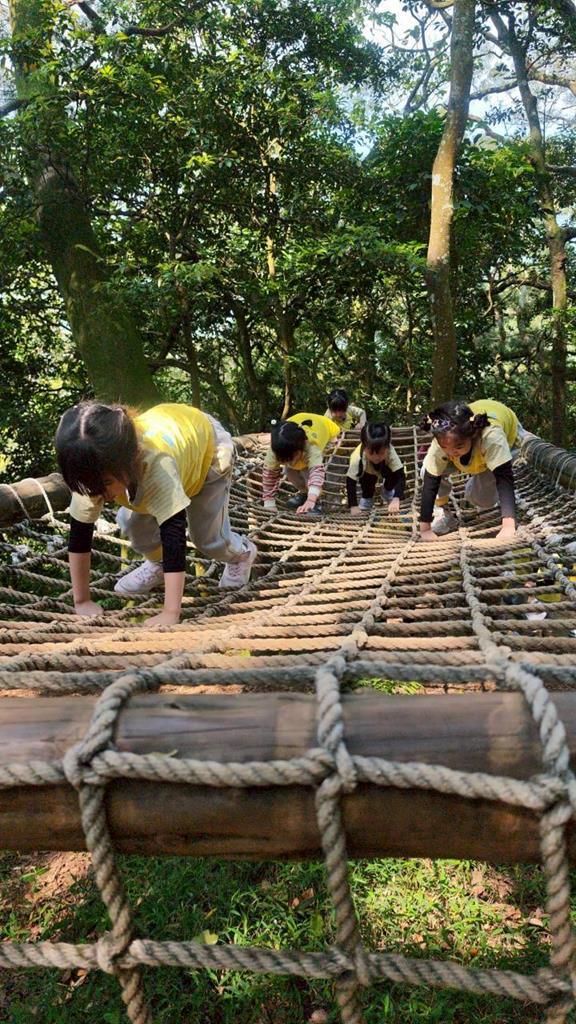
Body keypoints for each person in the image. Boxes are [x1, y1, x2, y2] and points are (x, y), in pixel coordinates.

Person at [55, 401, 257, 625]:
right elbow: (80, 536)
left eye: (107, 483)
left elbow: (174, 537)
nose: (99, 493)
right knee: (131, 523)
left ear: (130, 460)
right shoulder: (90, 473)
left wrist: (171, 612)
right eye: (88, 485)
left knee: (206, 538)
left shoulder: (158, 467)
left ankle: (240, 554)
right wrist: (82, 601)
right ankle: (158, 565)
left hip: (207, 453)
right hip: (173, 437)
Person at [419, 398, 523, 543]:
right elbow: (431, 479)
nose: (451, 452)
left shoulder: (492, 438)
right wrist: (425, 529)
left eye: (458, 447)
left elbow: (504, 478)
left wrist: (508, 526)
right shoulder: (443, 440)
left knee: (481, 499)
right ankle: (443, 511)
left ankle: (495, 496)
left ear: (472, 435)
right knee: (426, 470)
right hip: (470, 448)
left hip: (505, 438)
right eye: (445, 448)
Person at [262, 412, 340, 514]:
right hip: (296, 425)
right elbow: (269, 476)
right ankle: (304, 493)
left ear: (301, 449)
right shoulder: (274, 452)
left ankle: (317, 502)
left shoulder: (311, 448)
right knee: (289, 471)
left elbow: (316, 474)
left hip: (325, 426)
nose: (289, 462)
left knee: (307, 473)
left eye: (290, 459)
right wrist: (269, 504)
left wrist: (311, 500)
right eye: (283, 460)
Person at [346, 421, 406, 516]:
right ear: (364, 447)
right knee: (367, 487)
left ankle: (388, 491)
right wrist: (353, 506)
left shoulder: (390, 452)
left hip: (385, 467)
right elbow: (350, 481)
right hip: (367, 470)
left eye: (381, 453)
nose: (376, 457)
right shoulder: (357, 458)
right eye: (371, 453)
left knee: (393, 476)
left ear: (387, 447)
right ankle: (367, 500)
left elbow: (400, 475)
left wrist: (396, 498)